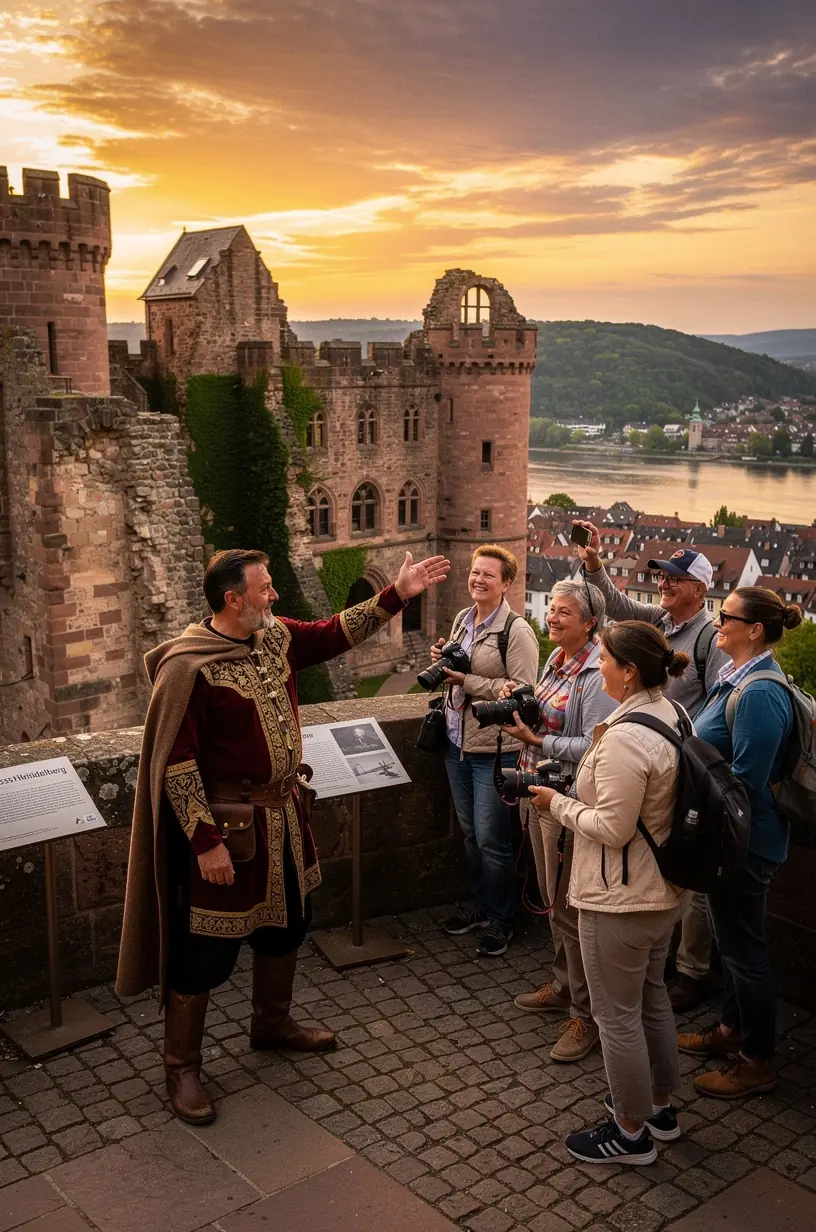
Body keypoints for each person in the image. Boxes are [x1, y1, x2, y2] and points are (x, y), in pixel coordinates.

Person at [116, 546, 449, 1126]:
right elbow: (178, 763)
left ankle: (271, 1024)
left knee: (288, 924)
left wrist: (398, 592)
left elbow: (331, 633)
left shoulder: (273, 636)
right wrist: (205, 842)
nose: (274, 595)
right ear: (232, 599)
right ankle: (181, 1064)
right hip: (228, 830)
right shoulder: (190, 667)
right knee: (205, 952)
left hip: (286, 819)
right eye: (264, 588)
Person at [530, 621, 690, 1165]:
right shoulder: (672, 712)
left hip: (620, 897)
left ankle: (629, 1133)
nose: (598, 667)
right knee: (651, 999)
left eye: (604, 661)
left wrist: (557, 805)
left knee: (616, 1016)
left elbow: (613, 827)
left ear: (628, 671)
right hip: (661, 889)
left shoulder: (626, 737)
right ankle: (662, 1110)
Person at [575, 525, 730, 1013]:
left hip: (684, 769)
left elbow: (722, 707)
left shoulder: (710, 639)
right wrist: (596, 563)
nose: (663, 583)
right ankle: (661, 958)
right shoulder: (661, 620)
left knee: (690, 870)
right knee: (659, 860)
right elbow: (619, 609)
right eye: (661, 575)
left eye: (674, 578)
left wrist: (669, 743)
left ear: (700, 590)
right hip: (654, 761)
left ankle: (691, 972)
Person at [677, 587, 801, 1100]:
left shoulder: (760, 694)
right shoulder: (738, 679)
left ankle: (756, 1061)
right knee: (731, 944)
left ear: (755, 630)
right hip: (734, 841)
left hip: (746, 846)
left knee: (745, 950)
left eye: (727, 615)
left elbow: (743, 785)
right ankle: (730, 1032)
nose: (717, 620)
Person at [499, 578, 616, 1062]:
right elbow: (546, 712)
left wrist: (536, 741)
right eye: (553, 609)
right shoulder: (556, 660)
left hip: (566, 801)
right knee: (550, 900)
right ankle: (564, 985)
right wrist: (521, 695)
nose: (552, 617)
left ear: (590, 623)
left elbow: (597, 744)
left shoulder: (596, 675)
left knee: (570, 911)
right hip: (537, 793)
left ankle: (586, 1018)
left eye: (564, 612)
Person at [433, 545, 539, 957]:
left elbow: (524, 692)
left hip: (496, 749)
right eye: (475, 573)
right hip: (457, 741)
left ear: (506, 583)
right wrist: (445, 660)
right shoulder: (464, 618)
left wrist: (467, 679)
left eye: (488, 575)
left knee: (493, 839)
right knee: (472, 834)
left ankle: (501, 918)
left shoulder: (518, 631)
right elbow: (461, 669)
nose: (478, 580)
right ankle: (481, 905)